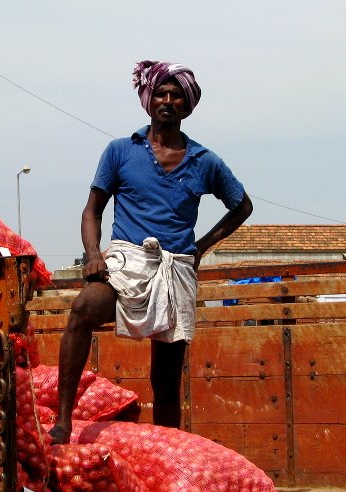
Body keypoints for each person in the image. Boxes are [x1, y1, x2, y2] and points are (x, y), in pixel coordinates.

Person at [48, 60, 253, 444]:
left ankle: (169, 449)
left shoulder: (204, 161)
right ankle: (62, 421)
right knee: (83, 309)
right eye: (161, 93)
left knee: (166, 376)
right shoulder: (121, 151)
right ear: (149, 100)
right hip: (127, 260)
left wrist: (201, 248)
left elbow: (242, 205)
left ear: (187, 106)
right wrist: (92, 253)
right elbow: (92, 208)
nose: (168, 101)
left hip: (174, 269)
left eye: (176, 95)